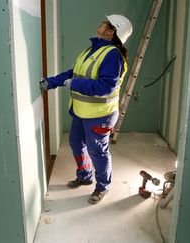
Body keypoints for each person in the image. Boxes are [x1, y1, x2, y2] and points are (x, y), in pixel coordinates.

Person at [40, 14, 133, 204]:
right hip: (82, 111)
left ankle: (102, 187)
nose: (101, 23)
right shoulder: (92, 49)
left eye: (105, 22)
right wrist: (52, 82)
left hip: (101, 115)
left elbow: (105, 87)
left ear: (111, 30)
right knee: (76, 143)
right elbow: (74, 73)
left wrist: (74, 83)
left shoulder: (112, 55)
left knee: (97, 151)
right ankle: (84, 176)